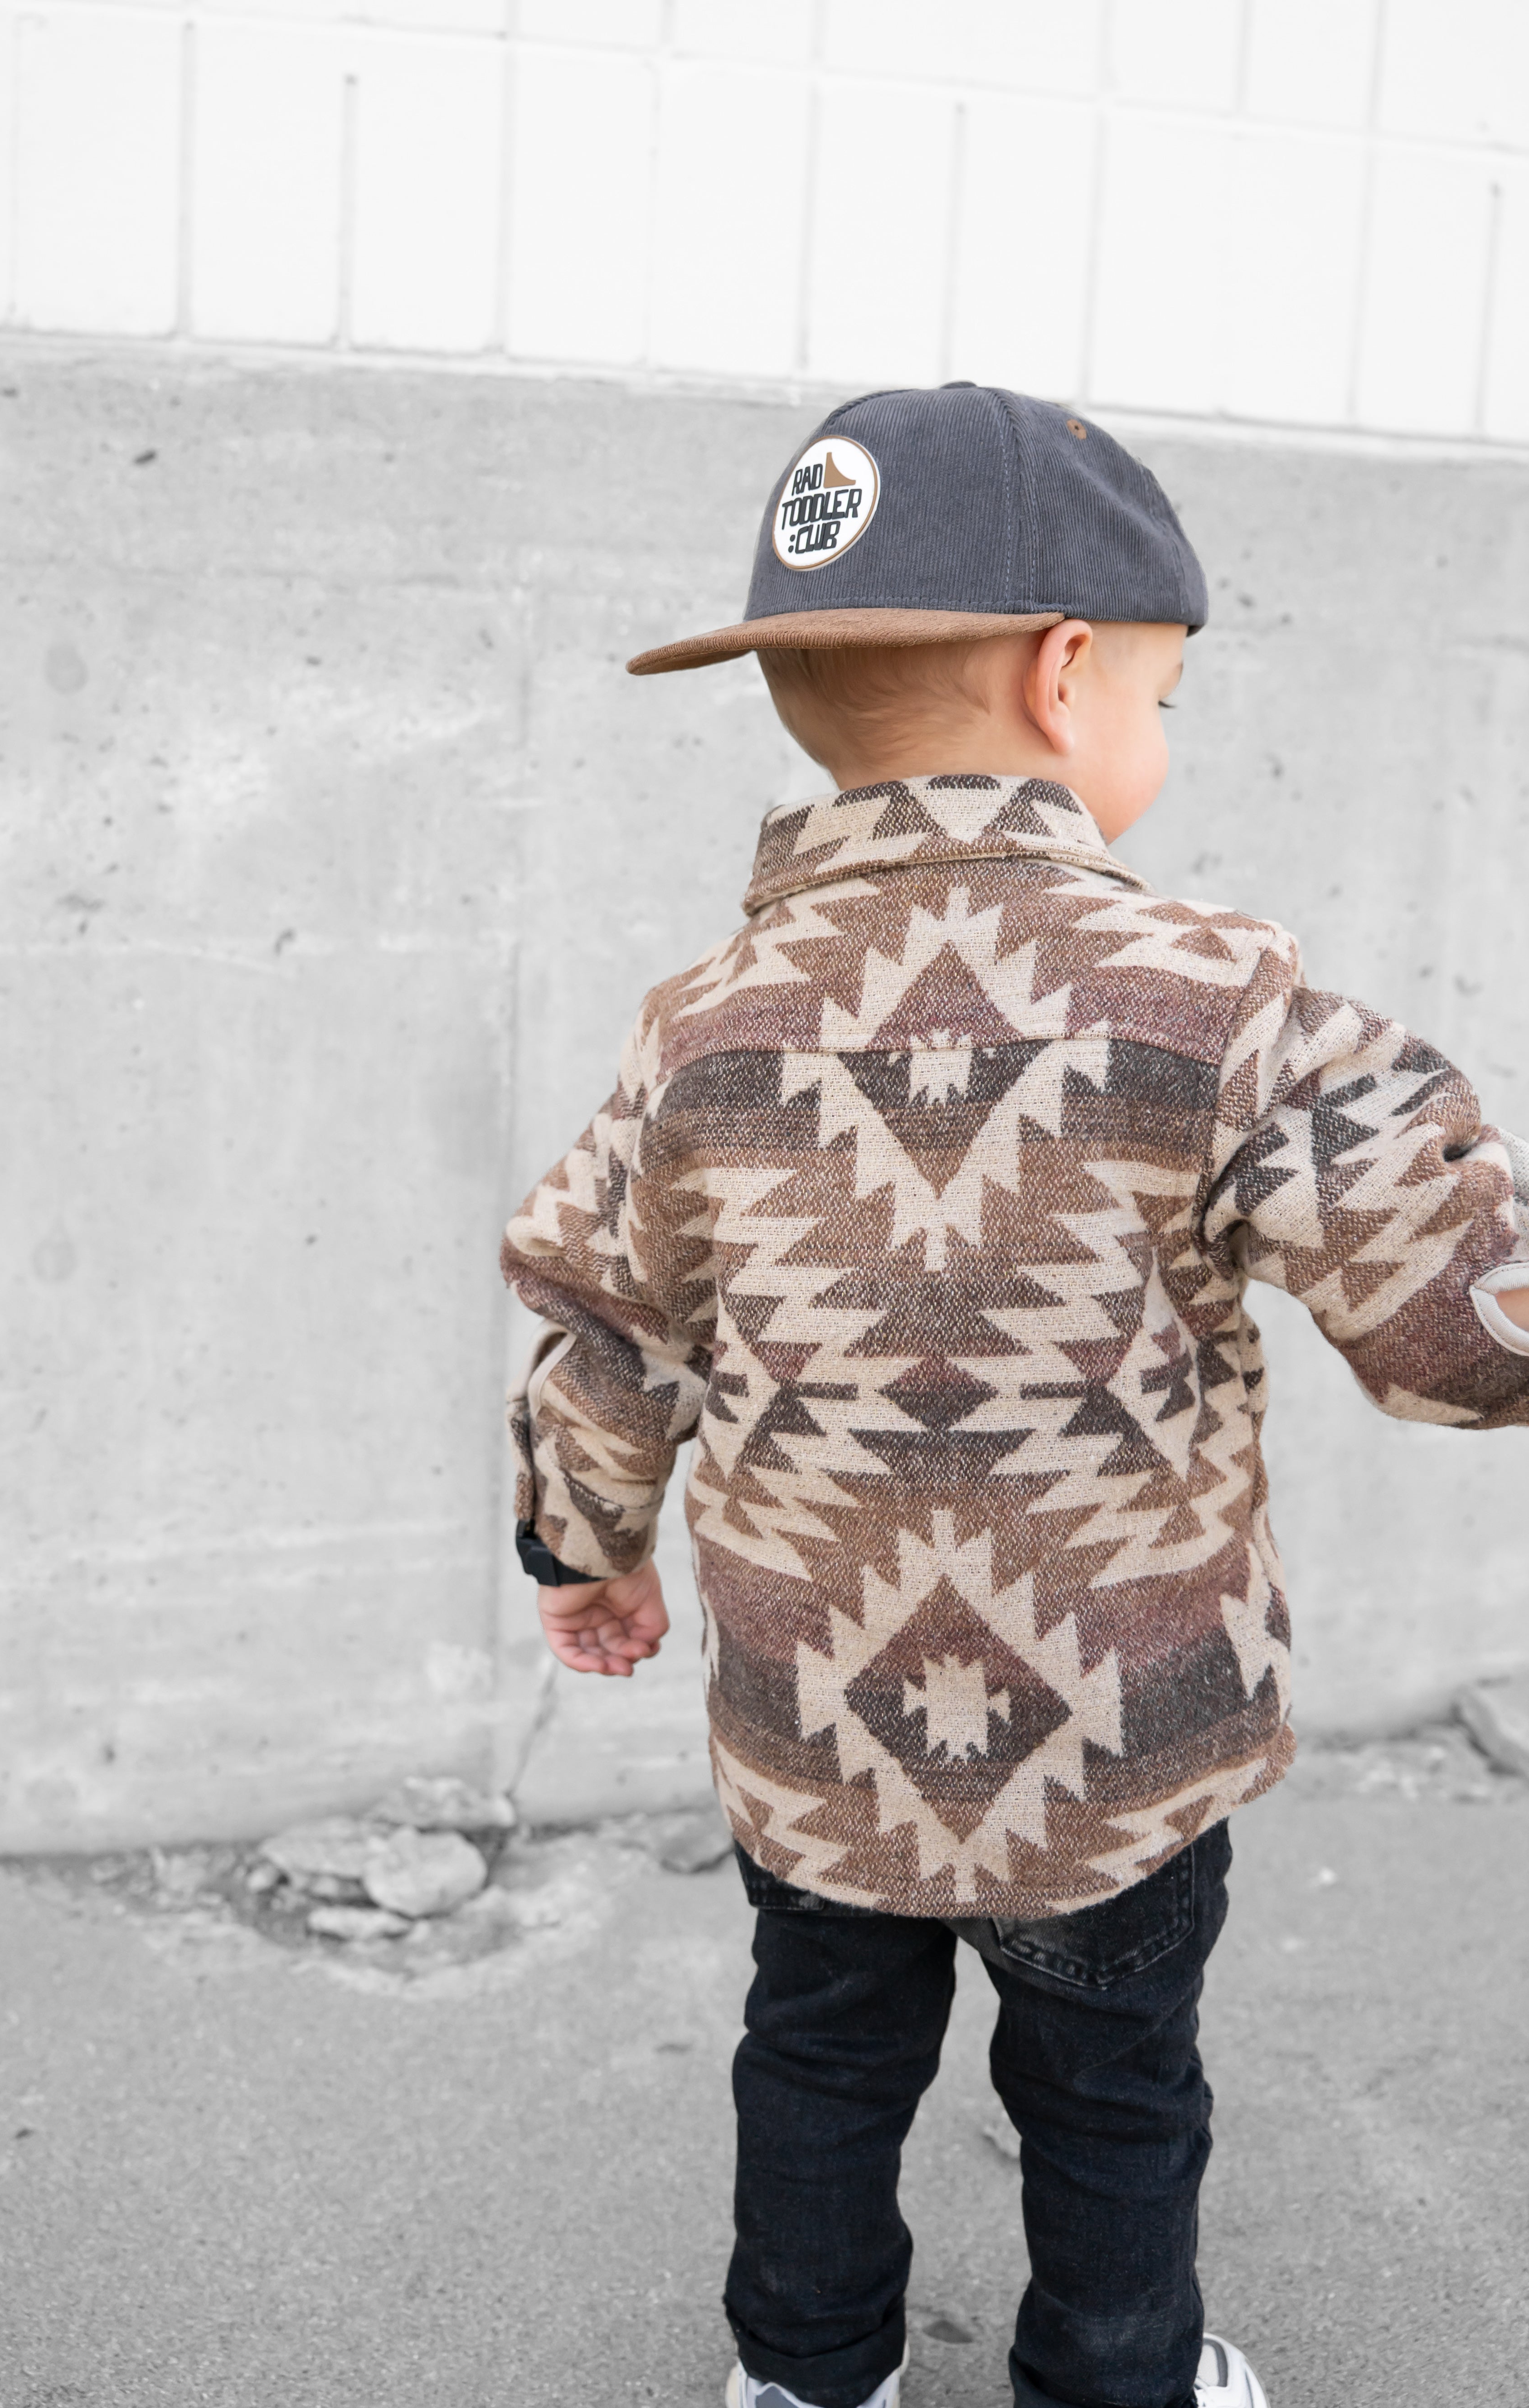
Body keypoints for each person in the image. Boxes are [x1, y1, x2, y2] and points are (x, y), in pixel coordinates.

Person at [498, 384, 1529, 2408]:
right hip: (1118, 1749)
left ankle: (803, 2377)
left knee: (815, 2059)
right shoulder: (1217, 996)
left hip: (818, 1730)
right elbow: (1458, 1319)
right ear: (1073, 676)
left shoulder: (700, 1028)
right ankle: (1118, 2377)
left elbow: (606, 1321)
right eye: (1162, 691)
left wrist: (579, 1540)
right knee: (1119, 2090)